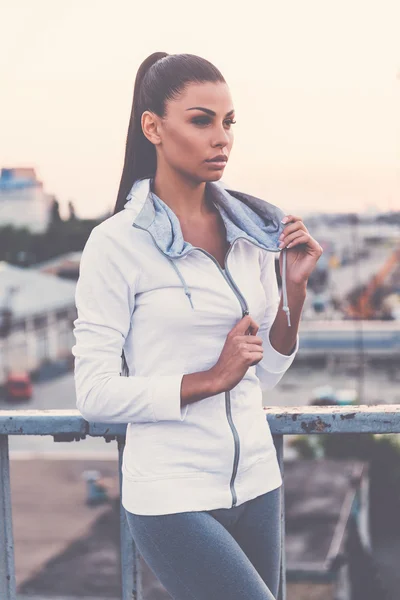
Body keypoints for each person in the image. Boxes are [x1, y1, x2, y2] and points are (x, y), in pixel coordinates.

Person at [72, 52, 323, 600]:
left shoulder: (251, 233)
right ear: (153, 127)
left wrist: (294, 289)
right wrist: (209, 379)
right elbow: (93, 393)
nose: (221, 138)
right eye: (201, 119)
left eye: (229, 122)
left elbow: (267, 374)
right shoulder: (116, 244)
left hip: (259, 482)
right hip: (172, 494)